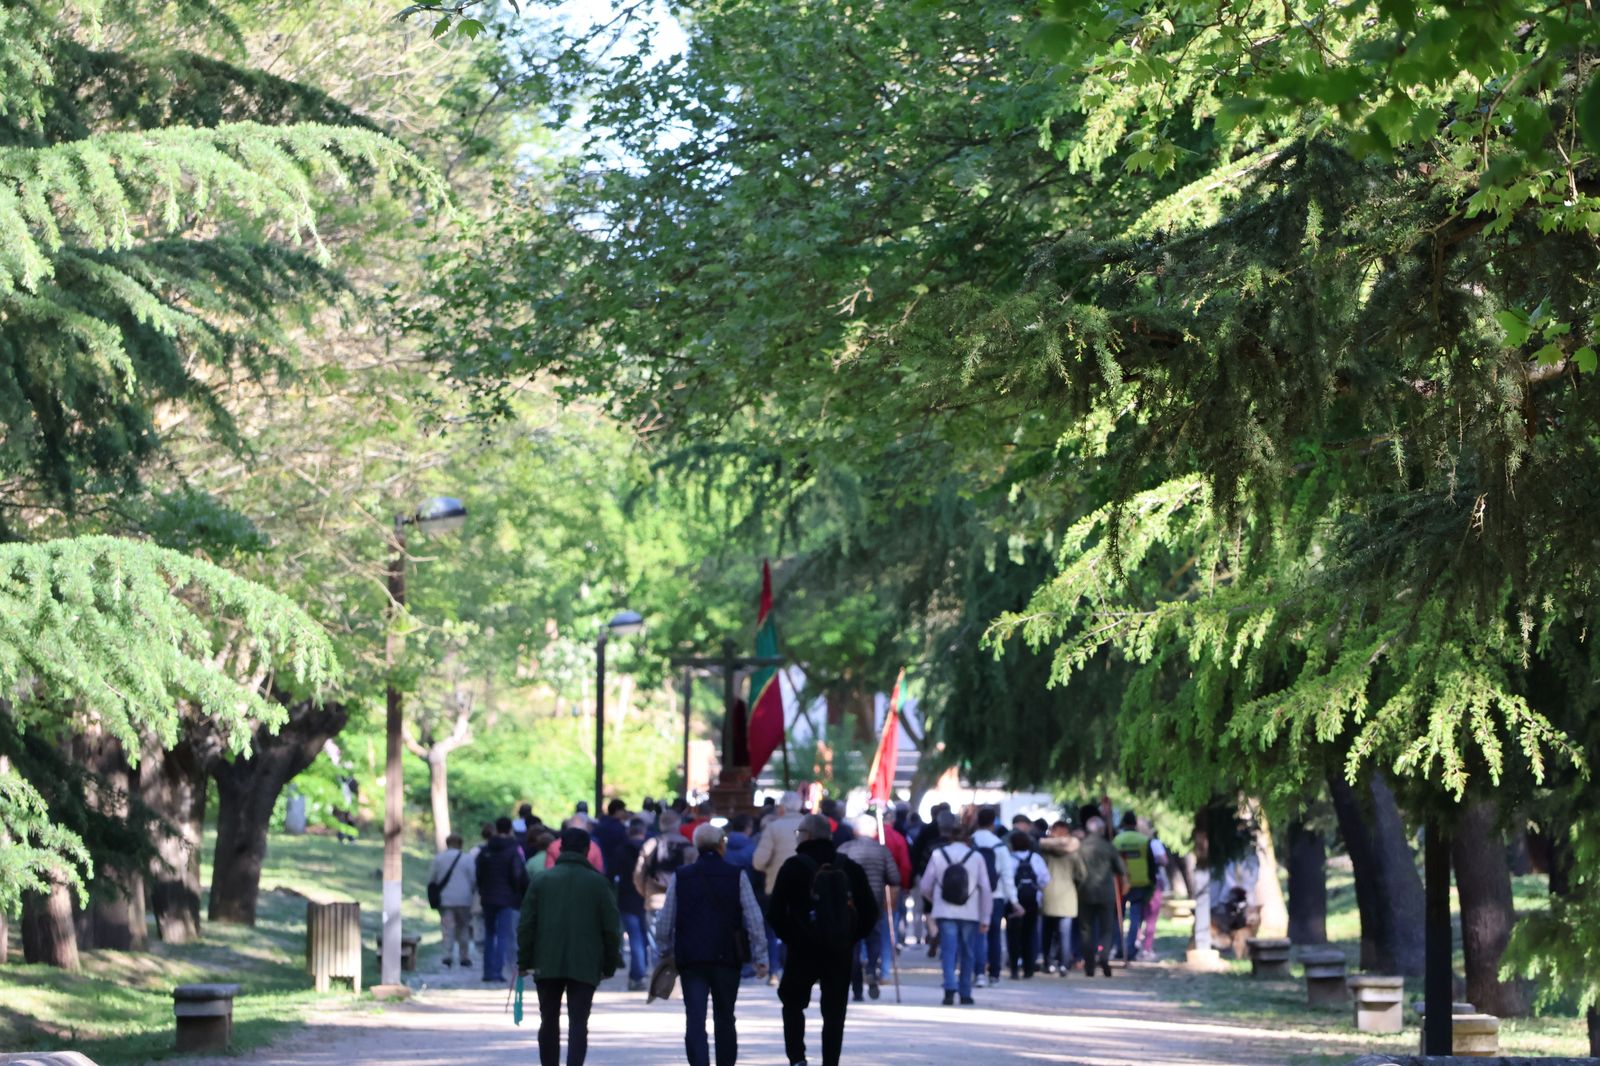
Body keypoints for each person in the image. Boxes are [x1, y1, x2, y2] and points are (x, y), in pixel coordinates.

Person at [768, 814, 880, 1066]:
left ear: (806, 835)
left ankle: (797, 1058)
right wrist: (849, 937)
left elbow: (775, 913)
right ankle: (831, 1061)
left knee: (793, 1004)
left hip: (802, 951)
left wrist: (793, 936)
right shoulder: (849, 867)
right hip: (839, 951)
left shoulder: (793, 867)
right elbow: (871, 912)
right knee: (834, 1013)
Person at [655, 823, 770, 1066]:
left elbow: (665, 918)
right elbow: (754, 918)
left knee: (695, 1019)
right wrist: (761, 956)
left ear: (697, 846)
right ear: (722, 845)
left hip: (691, 957)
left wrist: (665, 950)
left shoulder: (682, 876)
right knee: (725, 1017)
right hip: (727, 956)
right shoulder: (737, 874)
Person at [517, 827, 622, 1066]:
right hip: (585, 962)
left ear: (560, 849)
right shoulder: (598, 883)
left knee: (548, 1020)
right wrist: (609, 964)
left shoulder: (542, 881)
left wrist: (524, 961)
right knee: (579, 1022)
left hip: (546, 961)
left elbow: (526, 925)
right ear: (587, 851)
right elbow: (611, 929)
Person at [918, 812, 992, 1005]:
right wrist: (986, 917)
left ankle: (949, 988)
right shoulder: (976, 857)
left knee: (949, 950)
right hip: (971, 911)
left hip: (945, 910)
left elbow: (925, 885)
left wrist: (935, 900)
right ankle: (965, 992)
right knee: (968, 951)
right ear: (968, 838)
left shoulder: (938, 855)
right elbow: (985, 888)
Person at [839, 814, 901, 1001]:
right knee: (873, 939)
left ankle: (857, 990)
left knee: (853, 946)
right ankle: (872, 969)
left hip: (849, 904)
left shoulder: (844, 850)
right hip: (873, 903)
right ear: (874, 832)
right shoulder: (881, 851)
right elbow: (895, 878)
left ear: (855, 830)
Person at [752, 791, 805, 983]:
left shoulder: (773, 828)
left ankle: (774, 970)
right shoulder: (810, 825)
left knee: (774, 930)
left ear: (782, 808)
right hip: (806, 887)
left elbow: (758, 861)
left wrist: (770, 866)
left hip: (776, 886)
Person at [477, 816, 529, 983]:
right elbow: (517, 874)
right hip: (506, 898)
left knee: (489, 933)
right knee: (503, 935)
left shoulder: (485, 850)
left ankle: (487, 971)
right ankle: (498, 971)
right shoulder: (513, 849)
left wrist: (483, 890)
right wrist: (517, 892)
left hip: (488, 897)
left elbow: (479, 874)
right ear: (509, 830)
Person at [1075, 816, 1126, 976]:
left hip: (1084, 893)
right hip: (1106, 893)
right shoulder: (1108, 846)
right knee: (1107, 929)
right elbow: (1121, 869)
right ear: (1101, 830)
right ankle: (1103, 955)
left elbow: (1075, 871)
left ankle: (1089, 965)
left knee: (1086, 929)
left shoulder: (1080, 847)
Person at [970, 806, 1016, 986]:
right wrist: (1013, 900)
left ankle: (978, 972)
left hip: (972, 894)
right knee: (994, 934)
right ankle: (994, 973)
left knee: (977, 935)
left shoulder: (970, 842)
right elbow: (1007, 875)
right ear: (993, 823)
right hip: (995, 895)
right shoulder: (999, 845)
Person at [635, 809, 697, 931]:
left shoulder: (650, 844)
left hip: (655, 900)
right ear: (679, 823)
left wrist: (646, 893)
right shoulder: (689, 847)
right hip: (680, 902)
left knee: (655, 945)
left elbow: (638, 875)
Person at [1038, 820, 1085, 975]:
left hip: (1048, 893)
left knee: (1047, 932)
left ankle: (1048, 962)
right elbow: (1081, 874)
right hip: (1067, 895)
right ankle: (1064, 964)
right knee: (1065, 934)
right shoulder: (1073, 851)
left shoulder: (1045, 850)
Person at [1112, 811, 1157, 961]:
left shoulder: (1116, 841)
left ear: (1123, 824)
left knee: (1119, 916)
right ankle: (1131, 950)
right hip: (1139, 883)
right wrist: (1151, 881)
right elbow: (1152, 864)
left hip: (1120, 884)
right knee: (1135, 918)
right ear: (1135, 824)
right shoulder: (1144, 840)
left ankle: (1119, 948)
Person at [428, 832, 476, 969]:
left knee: (447, 928)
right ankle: (464, 957)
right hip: (464, 899)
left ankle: (447, 956)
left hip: (446, 900)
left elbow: (432, 879)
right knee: (464, 928)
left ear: (447, 843)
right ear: (460, 844)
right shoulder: (468, 859)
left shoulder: (439, 858)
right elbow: (473, 879)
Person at [1006, 829, 1048, 979]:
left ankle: (1014, 968)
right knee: (1029, 934)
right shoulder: (1036, 858)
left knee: (1013, 935)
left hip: (1013, 901)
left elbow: (1006, 880)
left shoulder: (1009, 859)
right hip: (1032, 900)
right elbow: (1045, 879)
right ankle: (1029, 968)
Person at [617, 817, 651, 991]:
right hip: (647, 897)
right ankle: (640, 972)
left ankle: (638, 974)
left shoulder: (622, 850)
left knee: (635, 936)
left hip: (626, 897)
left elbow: (612, 873)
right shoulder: (650, 850)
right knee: (643, 937)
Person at [593, 798, 629, 876]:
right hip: (614, 864)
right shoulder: (619, 828)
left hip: (599, 863)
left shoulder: (599, 825)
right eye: (623, 810)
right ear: (617, 811)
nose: (625, 812)